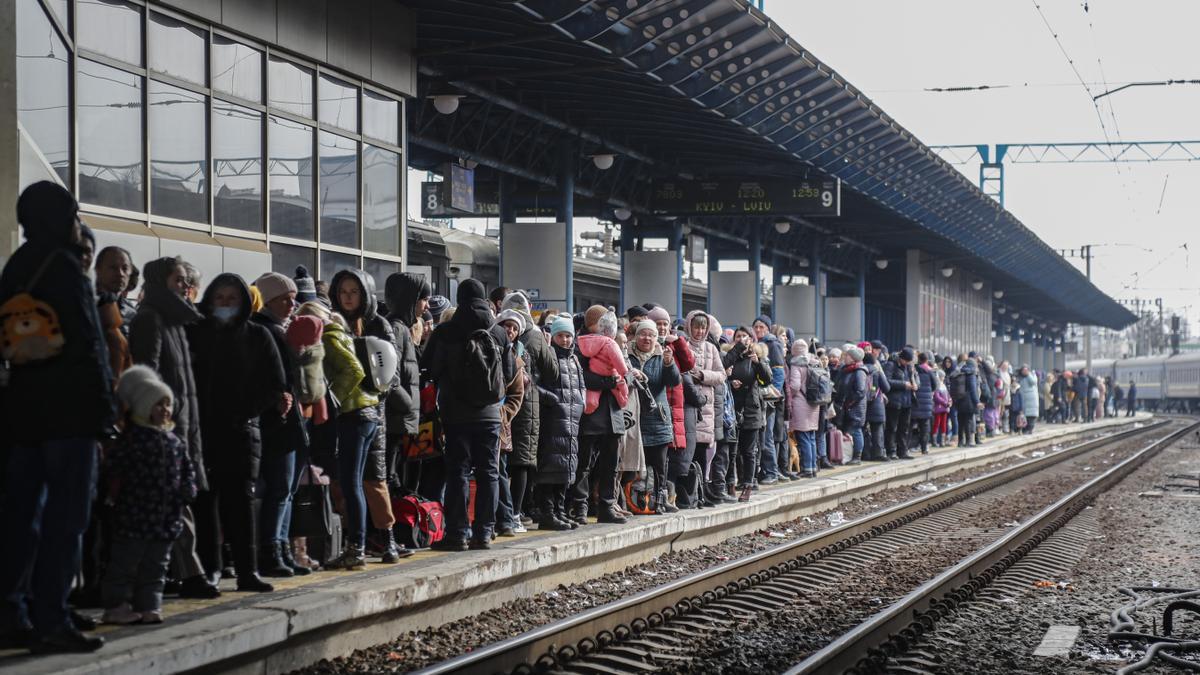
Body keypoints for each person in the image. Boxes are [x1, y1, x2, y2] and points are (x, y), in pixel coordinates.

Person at [0, 183, 115, 653]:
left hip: (23, 414)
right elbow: (90, 344)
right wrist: (105, 413)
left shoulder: (17, 266)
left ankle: (13, 612)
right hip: (69, 416)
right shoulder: (67, 267)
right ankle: (52, 619)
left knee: (20, 517)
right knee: (66, 519)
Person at [189, 274, 287, 592]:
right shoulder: (197, 333)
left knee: (241, 502)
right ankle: (211, 567)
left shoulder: (257, 335)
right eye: (220, 298)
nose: (226, 304)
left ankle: (248, 569)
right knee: (206, 501)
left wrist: (246, 410)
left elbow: (274, 381)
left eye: (233, 298)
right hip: (203, 429)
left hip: (243, 430)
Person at [127, 256, 216, 599]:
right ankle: (190, 572)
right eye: (176, 279)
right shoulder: (151, 319)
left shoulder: (176, 320)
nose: (183, 285)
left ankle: (169, 573)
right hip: (166, 427)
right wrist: (158, 420)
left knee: (176, 499)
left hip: (182, 424)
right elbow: (147, 373)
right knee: (176, 501)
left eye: (184, 280)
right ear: (160, 281)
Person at [101, 366, 196, 625]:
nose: (164, 410)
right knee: (125, 563)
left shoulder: (173, 441)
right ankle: (116, 604)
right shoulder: (131, 439)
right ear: (143, 407)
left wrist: (188, 489)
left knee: (157, 564)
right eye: (157, 404)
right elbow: (114, 466)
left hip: (166, 517)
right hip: (135, 513)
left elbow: (187, 469)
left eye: (167, 404)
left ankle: (149, 605)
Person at [421, 279, 512, 549]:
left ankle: (458, 533)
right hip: (490, 415)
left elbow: (430, 370)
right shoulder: (498, 332)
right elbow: (508, 374)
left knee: (457, 472)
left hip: (455, 414)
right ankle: (483, 532)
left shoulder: (446, 331)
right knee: (489, 472)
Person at [330, 269, 407, 562]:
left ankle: (386, 539)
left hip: (370, 413)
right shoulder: (335, 323)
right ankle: (357, 541)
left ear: (364, 294)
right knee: (346, 482)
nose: (348, 298)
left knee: (374, 480)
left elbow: (391, 374)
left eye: (354, 292)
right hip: (348, 414)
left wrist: (366, 396)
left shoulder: (379, 325)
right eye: (343, 292)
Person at [250, 273, 312, 577]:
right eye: (284, 299)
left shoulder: (281, 329)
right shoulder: (267, 331)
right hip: (279, 422)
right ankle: (272, 550)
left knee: (286, 489)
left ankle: (282, 549)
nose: (292, 304)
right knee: (280, 488)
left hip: (290, 419)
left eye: (293, 298)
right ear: (269, 301)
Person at [498, 291, 558, 528]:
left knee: (503, 461)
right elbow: (553, 373)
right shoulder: (536, 336)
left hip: (501, 406)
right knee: (522, 461)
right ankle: (514, 513)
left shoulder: (497, 332)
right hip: (527, 406)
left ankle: (504, 513)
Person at [568, 305, 629, 525]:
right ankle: (580, 506)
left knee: (610, 464)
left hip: (613, 412)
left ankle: (606, 505)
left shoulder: (612, 342)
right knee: (584, 463)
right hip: (591, 414)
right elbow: (580, 376)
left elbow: (625, 372)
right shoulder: (582, 345)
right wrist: (609, 382)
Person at [534, 317, 585, 530]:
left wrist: (580, 404)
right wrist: (552, 399)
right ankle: (547, 512)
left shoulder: (574, 360)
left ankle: (560, 510)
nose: (565, 340)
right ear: (553, 337)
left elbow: (581, 386)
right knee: (550, 468)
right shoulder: (548, 356)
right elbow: (534, 384)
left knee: (566, 468)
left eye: (568, 336)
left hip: (571, 420)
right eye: (560, 336)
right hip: (553, 420)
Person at [383, 272, 430, 502]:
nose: (426, 305)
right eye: (423, 299)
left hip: (402, 418)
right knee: (392, 476)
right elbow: (390, 375)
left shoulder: (401, 327)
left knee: (398, 475)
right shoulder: (397, 328)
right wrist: (407, 403)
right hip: (397, 418)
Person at [628, 320, 681, 513]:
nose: (647, 338)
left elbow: (674, 381)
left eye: (651, 335)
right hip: (633, 417)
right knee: (634, 463)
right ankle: (635, 500)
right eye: (643, 334)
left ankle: (660, 500)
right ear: (636, 336)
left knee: (659, 464)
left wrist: (669, 364)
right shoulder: (627, 354)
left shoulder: (661, 355)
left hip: (658, 418)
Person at [683, 311, 726, 505]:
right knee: (687, 454)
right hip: (688, 405)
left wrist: (701, 375)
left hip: (706, 408)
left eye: (702, 327)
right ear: (689, 327)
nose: (699, 331)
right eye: (696, 327)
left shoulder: (711, 348)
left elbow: (721, 375)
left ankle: (701, 494)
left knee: (702, 453)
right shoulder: (683, 345)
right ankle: (688, 495)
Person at [725, 327, 772, 500]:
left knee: (749, 451)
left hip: (752, 409)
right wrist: (730, 382)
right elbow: (721, 371)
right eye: (738, 336)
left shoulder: (756, 357)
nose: (742, 339)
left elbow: (767, 380)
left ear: (751, 340)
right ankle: (730, 483)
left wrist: (759, 363)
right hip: (732, 409)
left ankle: (748, 485)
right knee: (732, 450)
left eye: (745, 336)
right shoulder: (730, 356)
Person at [494, 309, 527, 536]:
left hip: (500, 424)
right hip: (485, 420)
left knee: (501, 471)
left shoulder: (516, 360)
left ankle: (505, 519)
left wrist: (503, 414)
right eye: (507, 326)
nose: (511, 331)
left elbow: (517, 395)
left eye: (515, 328)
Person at [751, 316, 786, 483]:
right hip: (758, 396)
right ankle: (767, 471)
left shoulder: (772, 344)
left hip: (768, 398)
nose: (758, 330)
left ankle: (771, 471)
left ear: (767, 328)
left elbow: (779, 372)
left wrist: (774, 394)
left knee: (767, 436)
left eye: (761, 327)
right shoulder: (755, 344)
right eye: (756, 327)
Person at [785, 340, 821, 477]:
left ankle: (806, 469)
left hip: (801, 403)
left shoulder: (796, 363)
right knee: (811, 437)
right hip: (813, 403)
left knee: (804, 437)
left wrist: (790, 394)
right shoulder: (814, 361)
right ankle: (812, 468)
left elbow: (794, 385)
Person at [836, 347, 869, 465]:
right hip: (847, 405)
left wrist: (849, 402)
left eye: (847, 356)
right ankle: (847, 455)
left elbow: (860, 391)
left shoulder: (859, 371)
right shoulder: (847, 370)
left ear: (854, 358)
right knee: (850, 430)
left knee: (856, 430)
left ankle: (857, 457)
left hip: (855, 406)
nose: (845, 357)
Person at [882, 348, 917, 460]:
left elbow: (915, 378)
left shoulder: (909, 367)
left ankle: (902, 451)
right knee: (892, 427)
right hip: (894, 402)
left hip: (907, 402)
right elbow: (887, 381)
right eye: (906, 361)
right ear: (901, 358)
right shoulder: (890, 365)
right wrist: (903, 384)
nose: (907, 363)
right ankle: (891, 451)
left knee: (904, 428)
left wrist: (916, 385)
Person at [94, 246, 136, 333]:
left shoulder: (132, 313)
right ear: (98, 270)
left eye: (125, 268)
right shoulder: (87, 305)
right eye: (113, 267)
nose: (120, 274)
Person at [862, 352, 890, 461]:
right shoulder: (877, 372)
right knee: (877, 429)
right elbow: (887, 388)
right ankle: (878, 454)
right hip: (876, 404)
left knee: (863, 429)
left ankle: (865, 454)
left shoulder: (861, 370)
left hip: (863, 405)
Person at [950, 354, 980, 447]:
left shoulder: (960, 372)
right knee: (968, 421)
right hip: (968, 401)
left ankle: (960, 442)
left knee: (960, 420)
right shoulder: (971, 374)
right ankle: (968, 442)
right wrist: (977, 402)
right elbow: (973, 389)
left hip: (959, 400)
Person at [911, 352, 935, 454]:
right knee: (925, 426)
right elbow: (935, 385)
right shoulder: (930, 371)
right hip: (926, 403)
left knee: (911, 425)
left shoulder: (913, 370)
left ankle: (911, 446)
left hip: (915, 401)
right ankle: (924, 447)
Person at [932, 370, 951, 447]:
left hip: (944, 407)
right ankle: (935, 440)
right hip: (939, 407)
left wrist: (950, 400)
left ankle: (942, 440)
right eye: (941, 376)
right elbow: (936, 397)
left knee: (943, 424)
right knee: (937, 423)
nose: (942, 378)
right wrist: (945, 402)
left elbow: (948, 395)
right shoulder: (937, 385)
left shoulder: (943, 385)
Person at [1018, 365, 1040, 434]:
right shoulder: (1020, 377)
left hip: (1031, 399)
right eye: (1023, 370)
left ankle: (1030, 429)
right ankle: (1024, 429)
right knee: (1024, 416)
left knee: (1031, 416)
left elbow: (1033, 382)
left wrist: (1028, 375)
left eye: (1026, 370)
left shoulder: (1032, 375)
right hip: (1023, 398)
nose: (1025, 372)